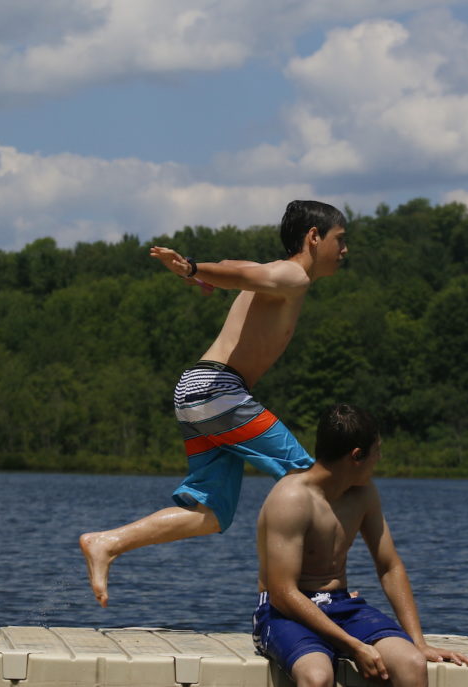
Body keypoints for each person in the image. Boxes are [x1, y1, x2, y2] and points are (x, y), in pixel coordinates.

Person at [80, 200, 349, 608]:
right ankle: (316, 589)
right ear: (314, 237)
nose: (344, 250)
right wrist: (192, 269)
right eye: (339, 240)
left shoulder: (273, 273)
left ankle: (108, 542)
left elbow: (232, 267)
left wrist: (202, 274)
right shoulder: (291, 275)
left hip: (197, 392)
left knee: (212, 514)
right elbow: (242, 273)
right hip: (218, 391)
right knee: (310, 479)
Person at [253, 404, 468, 687]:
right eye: (377, 450)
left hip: (340, 605)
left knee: (412, 663)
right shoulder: (291, 498)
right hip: (284, 613)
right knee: (318, 677)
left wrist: (418, 642)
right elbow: (282, 594)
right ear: (357, 455)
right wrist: (353, 645)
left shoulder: (363, 493)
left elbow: (389, 566)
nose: (379, 458)